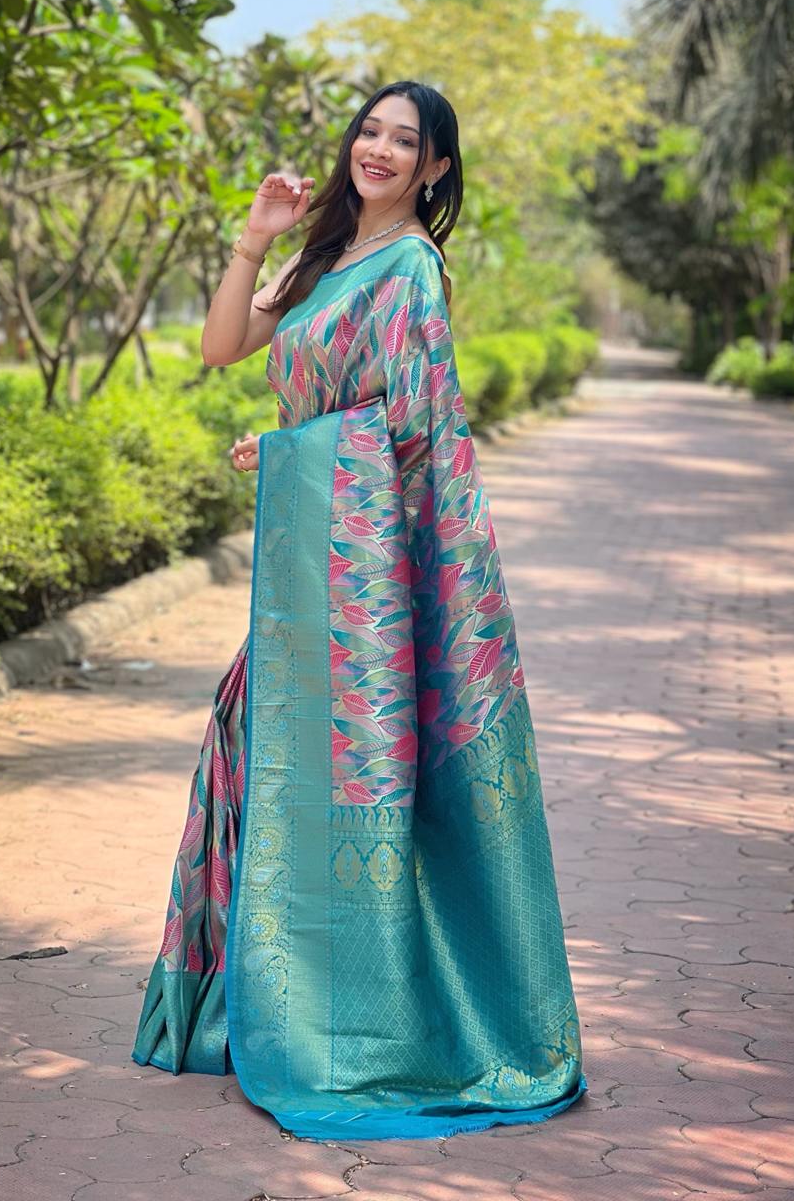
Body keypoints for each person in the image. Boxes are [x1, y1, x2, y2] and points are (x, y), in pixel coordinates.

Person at [132, 79, 586, 1140]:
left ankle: (362, 1026)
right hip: (310, 563)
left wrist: (287, 449)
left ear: (434, 167)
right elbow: (221, 347)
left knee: (353, 771)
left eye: (404, 140)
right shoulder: (329, 252)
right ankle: (257, 1001)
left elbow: (411, 427)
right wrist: (255, 236)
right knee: (255, 739)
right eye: (368, 130)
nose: (377, 149)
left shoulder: (412, 268)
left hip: (369, 578)